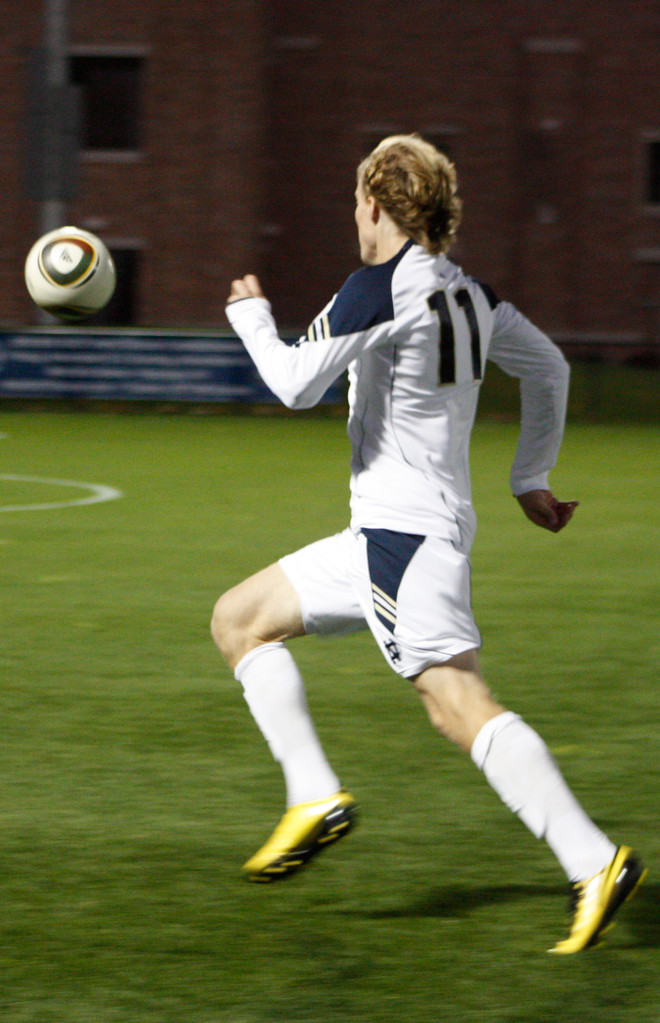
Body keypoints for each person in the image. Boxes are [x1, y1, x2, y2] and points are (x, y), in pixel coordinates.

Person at [211, 134, 645, 953]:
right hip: (391, 533)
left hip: (403, 545)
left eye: (355, 203)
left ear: (374, 203)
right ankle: (313, 797)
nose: (354, 215)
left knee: (458, 705)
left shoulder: (376, 287)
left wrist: (250, 317)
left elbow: (292, 382)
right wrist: (529, 478)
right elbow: (549, 366)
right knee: (239, 618)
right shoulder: (470, 293)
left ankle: (594, 861)